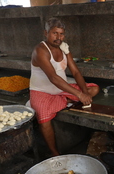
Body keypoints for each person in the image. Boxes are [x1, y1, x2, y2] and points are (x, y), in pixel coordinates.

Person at [29, 17, 100, 157]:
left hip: (62, 89)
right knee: (43, 118)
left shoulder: (63, 49)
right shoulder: (40, 51)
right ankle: (54, 152)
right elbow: (53, 78)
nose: (58, 37)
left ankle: (65, 101)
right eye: (55, 33)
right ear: (46, 33)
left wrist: (85, 93)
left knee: (94, 89)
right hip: (42, 91)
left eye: (61, 34)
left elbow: (75, 72)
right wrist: (79, 96)